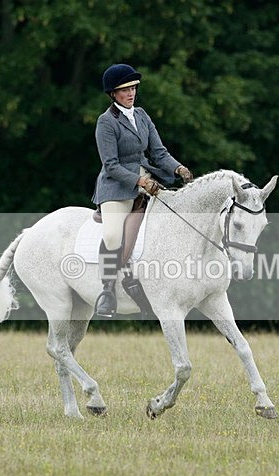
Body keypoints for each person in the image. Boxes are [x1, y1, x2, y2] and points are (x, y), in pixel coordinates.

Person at [92, 63, 193, 317]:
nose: (131, 93)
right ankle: (107, 290)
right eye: (124, 90)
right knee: (114, 235)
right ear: (113, 94)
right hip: (117, 187)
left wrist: (179, 169)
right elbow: (111, 166)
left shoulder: (142, 115)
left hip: (149, 180)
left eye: (133, 88)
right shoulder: (106, 122)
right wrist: (139, 182)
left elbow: (158, 153)